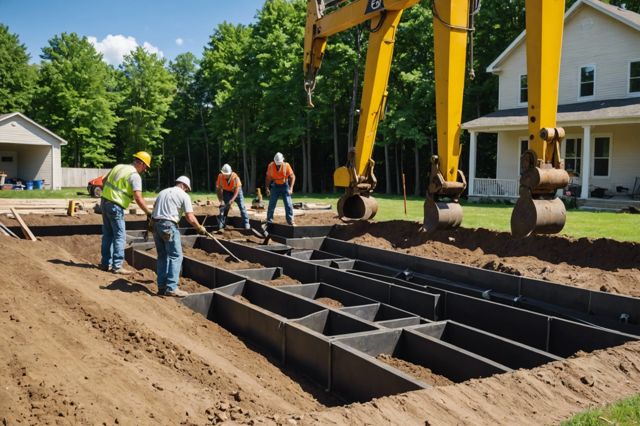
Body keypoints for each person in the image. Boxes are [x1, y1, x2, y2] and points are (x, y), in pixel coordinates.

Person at [151, 176, 207, 297]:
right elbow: (190, 217)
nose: (186, 191)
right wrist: (199, 228)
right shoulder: (183, 195)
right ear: (184, 186)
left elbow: (154, 209)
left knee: (162, 256)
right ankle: (171, 287)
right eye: (187, 189)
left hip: (155, 225)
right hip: (168, 225)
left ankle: (161, 287)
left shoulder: (163, 192)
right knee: (176, 256)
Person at [100, 152, 153, 274]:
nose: (144, 170)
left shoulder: (118, 167)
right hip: (115, 206)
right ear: (141, 163)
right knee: (120, 236)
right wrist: (148, 212)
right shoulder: (134, 176)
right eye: (145, 167)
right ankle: (117, 266)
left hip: (104, 202)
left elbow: (103, 181)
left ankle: (105, 263)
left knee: (108, 235)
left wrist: (111, 193)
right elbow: (138, 198)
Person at [215, 164, 250, 230]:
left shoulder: (235, 178)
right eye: (224, 174)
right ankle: (222, 221)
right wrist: (221, 200)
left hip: (236, 192)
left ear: (230, 173)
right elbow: (218, 189)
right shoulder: (220, 177)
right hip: (227, 191)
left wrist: (232, 200)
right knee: (224, 207)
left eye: (227, 174)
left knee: (242, 206)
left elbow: (237, 190)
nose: (225, 176)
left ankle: (246, 223)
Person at [265, 152, 296, 226]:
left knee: (288, 204)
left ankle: (290, 221)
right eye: (277, 164)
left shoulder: (286, 166)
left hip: (285, 186)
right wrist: (267, 188)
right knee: (271, 204)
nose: (278, 165)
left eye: (279, 164)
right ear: (274, 162)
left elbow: (292, 177)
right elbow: (268, 178)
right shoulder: (271, 166)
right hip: (275, 186)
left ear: (283, 160)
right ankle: (269, 221)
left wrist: (291, 188)